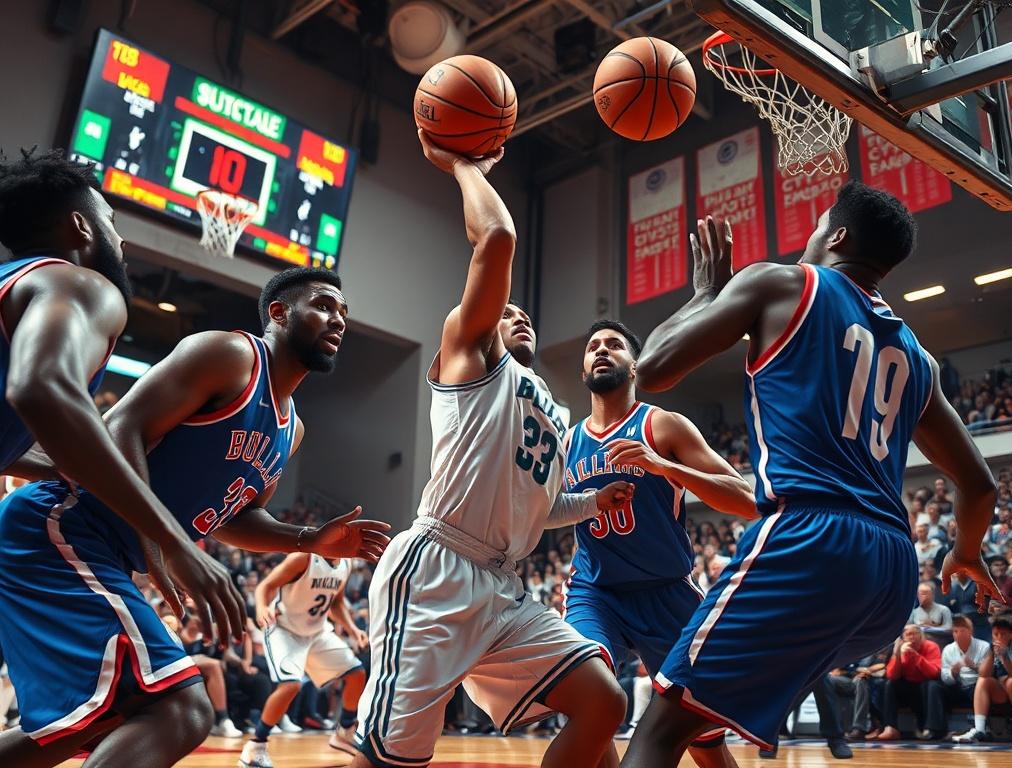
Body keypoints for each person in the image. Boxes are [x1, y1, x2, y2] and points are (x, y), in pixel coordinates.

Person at [619, 182, 1001, 766]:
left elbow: (652, 369)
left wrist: (703, 294)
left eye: (818, 225)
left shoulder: (782, 283)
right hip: (891, 571)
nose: (810, 237)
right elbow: (980, 485)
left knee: (659, 730)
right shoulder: (919, 359)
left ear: (838, 236)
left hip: (809, 539)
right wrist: (966, 551)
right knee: (698, 714)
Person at [0, 267, 391, 768]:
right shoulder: (230, 356)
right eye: (323, 305)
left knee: (105, 718)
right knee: (182, 709)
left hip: (102, 553)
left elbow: (235, 517)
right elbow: (122, 428)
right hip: (60, 525)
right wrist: (169, 547)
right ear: (278, 312)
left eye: (343, 313)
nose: (338, 319)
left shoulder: (290, 430)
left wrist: (310, 538)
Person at [352, 132, 634, 768]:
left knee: (603, 701)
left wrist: (594, 501)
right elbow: (498, 240)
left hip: (503, 588)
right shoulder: (472, 355)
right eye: (506, 311)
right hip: (437, 570)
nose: (519, 316)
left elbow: (537, 505)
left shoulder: (553, 412)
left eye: (522, 314)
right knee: (385, 762)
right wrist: (463, 165)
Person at [0, 149, 242, 658]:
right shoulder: (79, 284)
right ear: (80, 228)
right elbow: (39, 388)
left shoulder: (16, 280)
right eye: (111, 222)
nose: (122, 240)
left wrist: (53, 463)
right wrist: (170, 539)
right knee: (174, 709)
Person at [563, 320, 756, 768]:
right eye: (593, 346)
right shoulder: (566, 442)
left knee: (704, 742)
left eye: (614, 345)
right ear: (584, 370)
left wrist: (664, 467)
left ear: (635, 367)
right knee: (587, 696)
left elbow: (747, 500)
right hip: (597, 592)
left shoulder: (661, 425)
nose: (601, 351)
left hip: (666, 591)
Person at [239, 552, 367, 767]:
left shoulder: (346, 562)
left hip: (316, 632)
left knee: (356, 673)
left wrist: (353, 630)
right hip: (284, 630)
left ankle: (344, 731)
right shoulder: (304, 558)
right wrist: (261, 607)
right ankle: (255, 747)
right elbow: (266, 586)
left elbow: (336, 603)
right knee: (291, 686)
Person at [952, 617, 1012, 743]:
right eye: (996, 634)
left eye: (1003, 634)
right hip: (1002, 696)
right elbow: (983, 673)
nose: (999, 637)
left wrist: (1004, 657)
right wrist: (991, 654)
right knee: (983, 680)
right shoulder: (991, 648)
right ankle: (979, 729)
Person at [875, 625, 944, 740]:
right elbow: (892, 675)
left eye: (914, 634)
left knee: (931, 685)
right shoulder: (901, 649)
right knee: (889, 684)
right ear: (903, 638)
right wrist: (897, 655)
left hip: (925, 686)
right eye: (908, 634)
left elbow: (934, 673)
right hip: (907, 687)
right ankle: (890, 727)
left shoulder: (931, 646)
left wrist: (915, 656)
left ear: (921, 636)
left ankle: (931, 729)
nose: (911, 637)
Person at [939, 616, 989, 729]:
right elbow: (945, 678)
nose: (958, 634)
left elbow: (988, 674)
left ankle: (982, 727)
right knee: (935, 688)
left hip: (976, 686)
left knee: (983, 686)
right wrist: (953, 672)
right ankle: (939, 729)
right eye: (955, 631)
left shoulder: (984, 647)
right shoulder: (948, 649)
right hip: (957, 686)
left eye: (962, 631)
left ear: (970, 631)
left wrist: (974, 666)